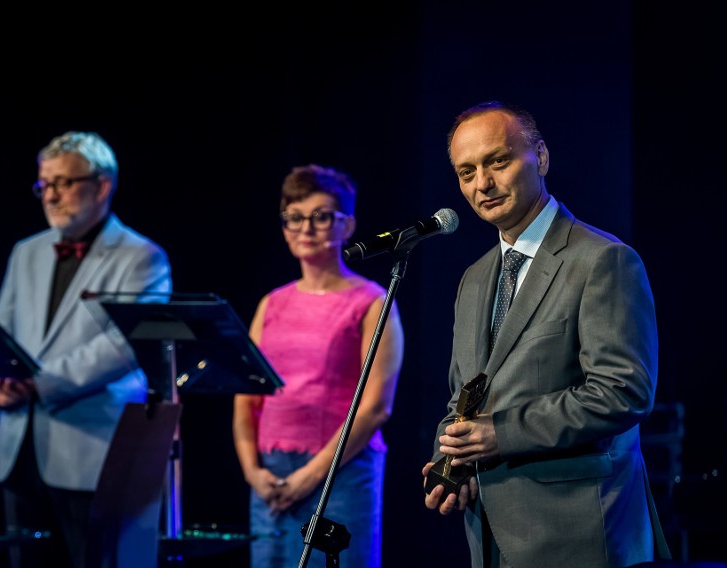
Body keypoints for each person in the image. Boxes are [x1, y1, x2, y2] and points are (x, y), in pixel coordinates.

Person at [421, 101, 671, 568]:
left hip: (577, 530)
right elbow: (464, 398)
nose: (483, 184)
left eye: (498, 161)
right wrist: (450, 463)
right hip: (490, 534)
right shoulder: (473, 279)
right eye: (466, 171)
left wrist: (502, 434)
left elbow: (624, 392)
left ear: (541, 157)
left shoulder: (602, 260)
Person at [0, 131, 173, 568]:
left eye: (62, 183)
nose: (51, 196)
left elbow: (122, 347)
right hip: (19, 443)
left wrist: (38, 383)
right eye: (44, 185)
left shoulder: (142, 256)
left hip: (92, 448)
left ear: (101, 185)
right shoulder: (25, 252)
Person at [232, 164, 405, 568]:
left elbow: (376, 406)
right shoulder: (271, 303)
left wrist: (311, 477)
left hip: (340, 473)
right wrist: (251, 471)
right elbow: (247, 396)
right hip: (270, 475)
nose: (305, 228)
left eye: (321, 216)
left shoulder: (372, 302)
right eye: (294, 217)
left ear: (348, 225)